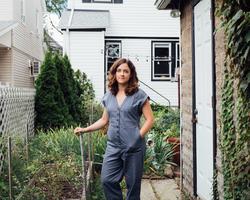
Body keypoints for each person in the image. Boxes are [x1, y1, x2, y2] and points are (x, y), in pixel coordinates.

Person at [74, 58, 154, 200]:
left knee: (133, 186)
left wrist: (137, 137)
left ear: (131, 75)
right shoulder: (109, 95)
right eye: (119, 70)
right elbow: (104, 120)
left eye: (126, 71)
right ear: (114, 73)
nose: (122, 74)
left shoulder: (139, 95)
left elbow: (150, 120)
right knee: (107, 180)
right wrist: (85, 129)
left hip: (134, 148)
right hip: (113, 147)